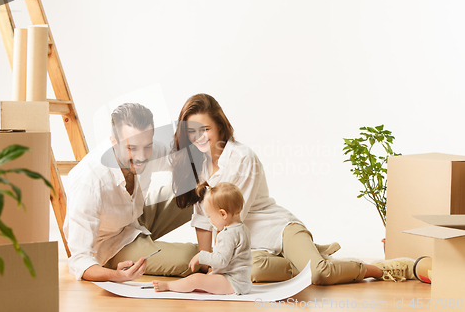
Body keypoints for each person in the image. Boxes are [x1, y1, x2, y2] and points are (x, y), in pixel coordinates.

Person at [170, 93, 415, 285]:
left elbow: (234, 220)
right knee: (252, 272)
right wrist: (205, 265)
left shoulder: (243, 158)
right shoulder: (196, 167)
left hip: (278, 231)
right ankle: (310, 255)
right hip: (254, 248)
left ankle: (380, 269)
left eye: (206, 129)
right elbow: (203, 220)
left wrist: (216, 267)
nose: (199, 137)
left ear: (220, 128)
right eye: (191, 132)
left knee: (319, 274)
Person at [63, 103, 198, 282]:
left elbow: (178, 159)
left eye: (147, 146)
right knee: (188, 259)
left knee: (199, 189)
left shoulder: (142, 145)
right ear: (113, 142)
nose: (141, 157)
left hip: (134, 219)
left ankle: (230, 241)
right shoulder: (90, 179)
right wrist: (115, 275)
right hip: (111, 244)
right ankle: (230, 258)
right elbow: (79, 259)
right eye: (132, 148)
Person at [153, 182, 252, 295]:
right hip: (241, 282)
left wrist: (201, 256)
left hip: (232, 282)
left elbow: (222, 261)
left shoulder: (228, 234)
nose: (210, 221)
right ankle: (182, 285)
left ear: (223, 214)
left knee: (196, 280)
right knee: (201, 283)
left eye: (210, 217)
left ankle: (168, 285)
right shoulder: (242, 228)